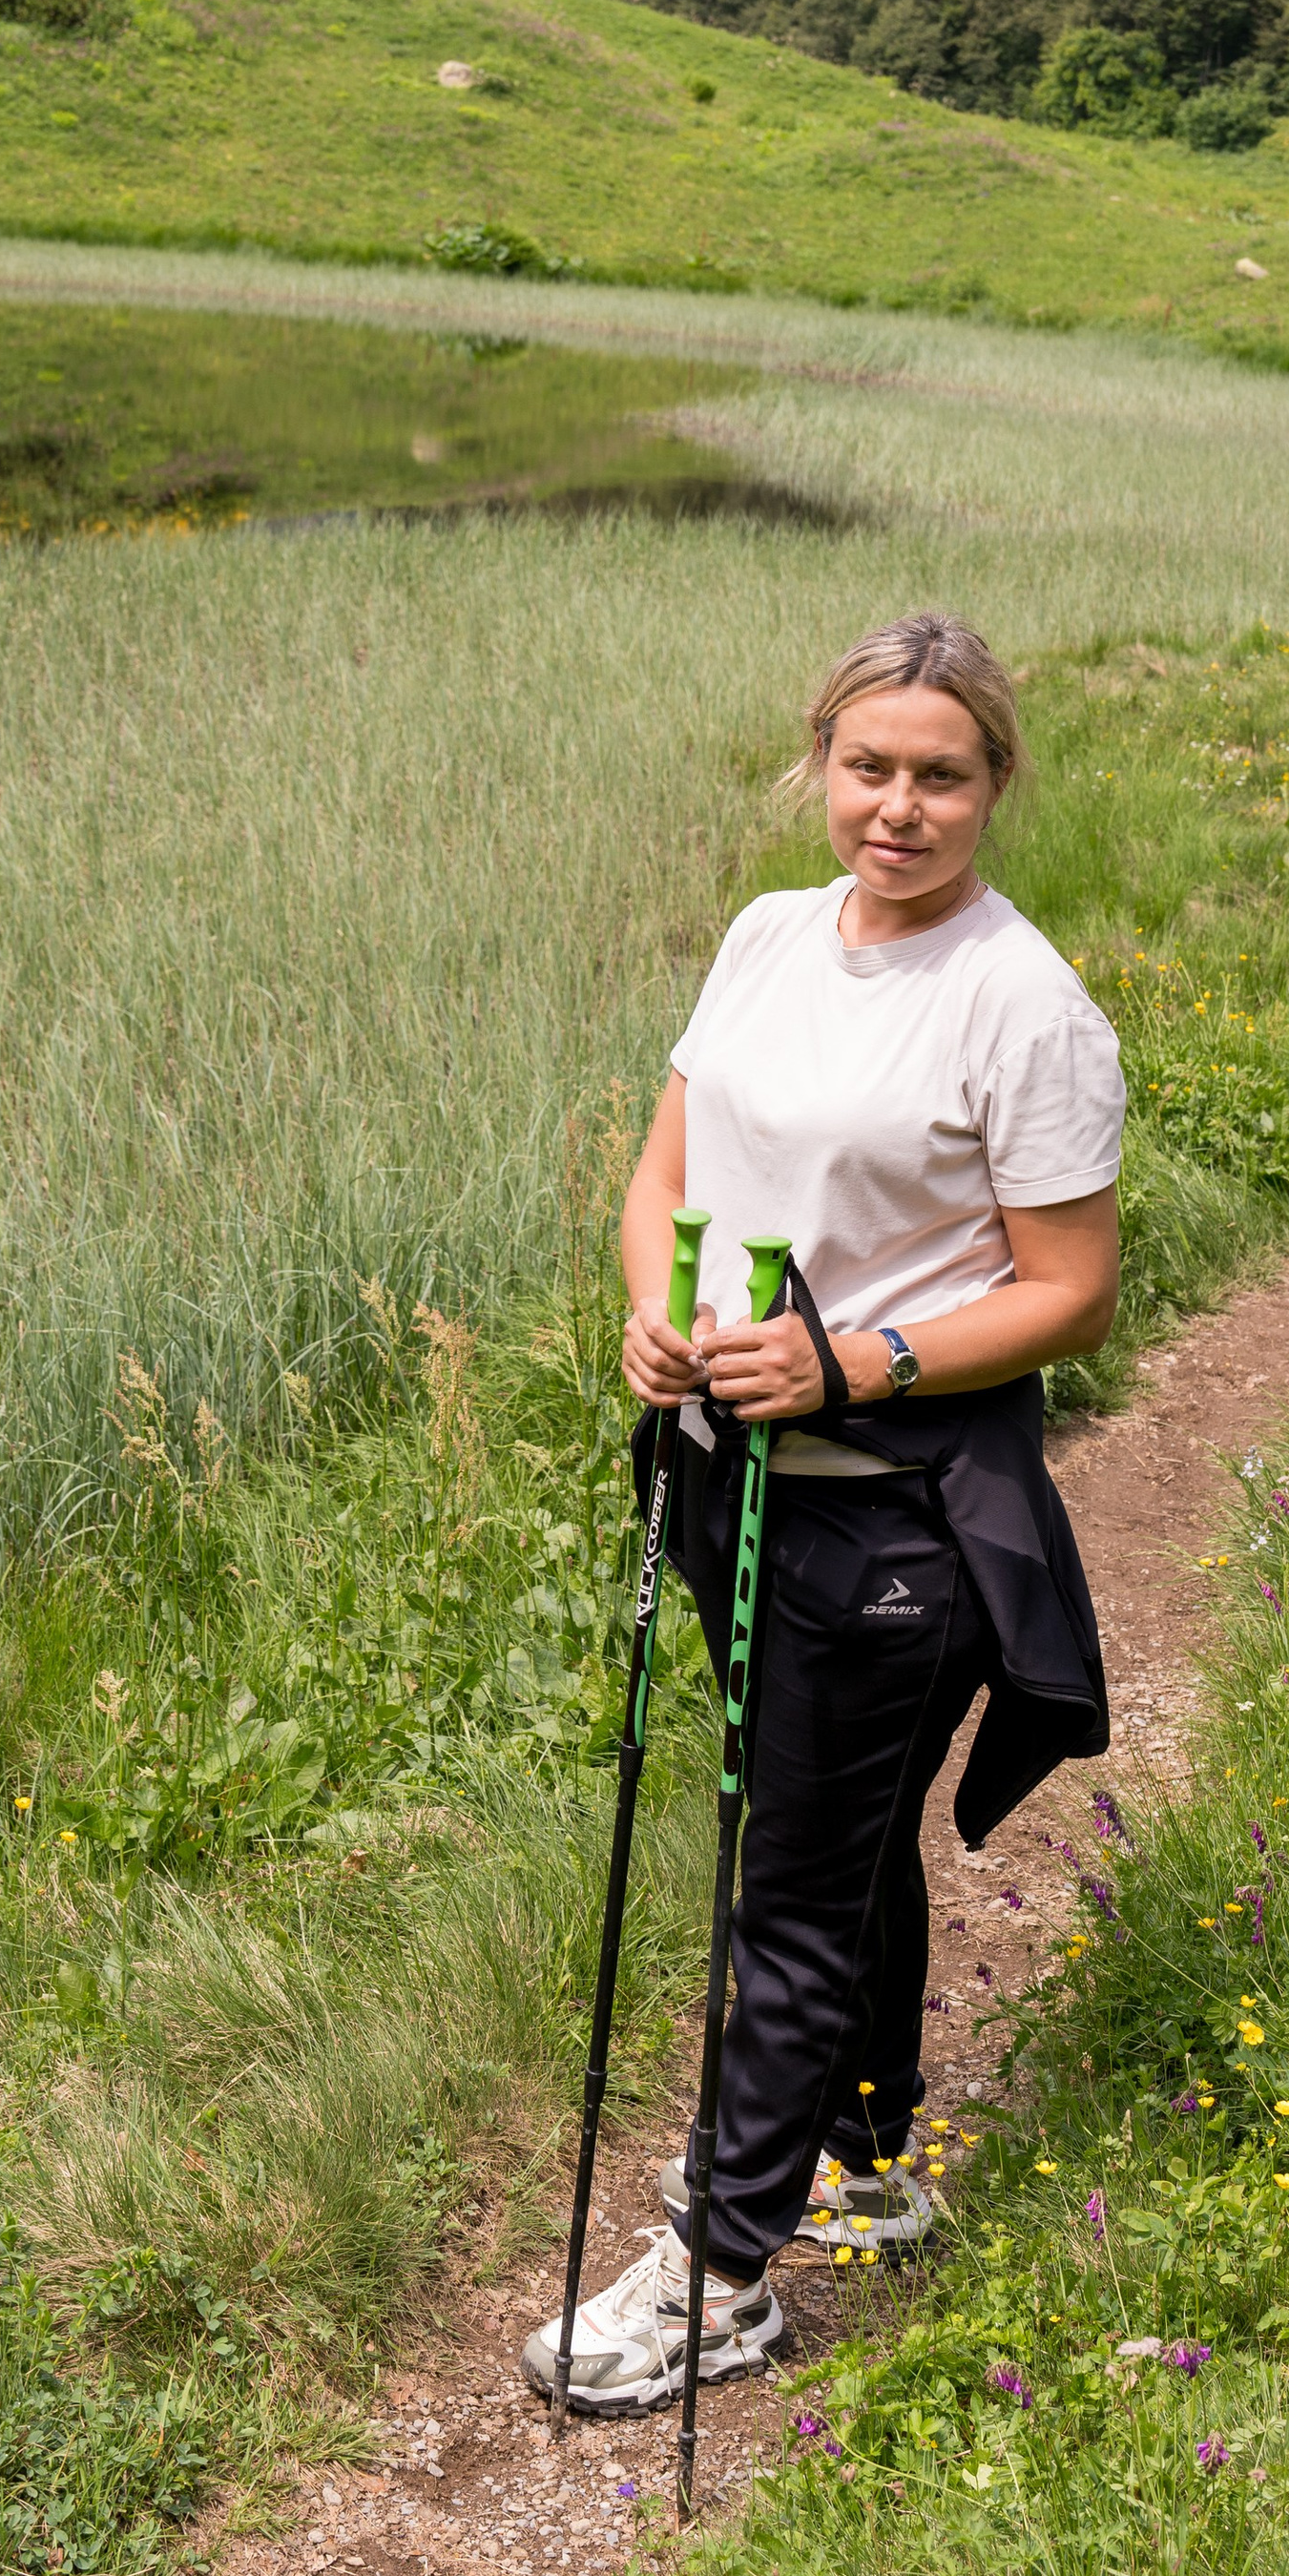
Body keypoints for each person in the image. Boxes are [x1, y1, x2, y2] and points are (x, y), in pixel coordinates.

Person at [523, 612, 1125, 2412]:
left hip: (894, 1520)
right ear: (822, 764)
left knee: (784, 1887)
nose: (899, 808)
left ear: (996, 784)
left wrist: (852, 1363)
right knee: (841, 1841)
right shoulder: (769, 937)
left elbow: (1072, 1295)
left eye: (942, 774)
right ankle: (862, 2158)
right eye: (870, 767)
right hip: (723, 1480)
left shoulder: (1025, 1004)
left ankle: (722, 2272)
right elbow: (668, 1172)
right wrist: (653, 1317)